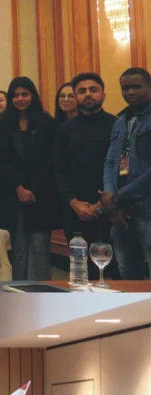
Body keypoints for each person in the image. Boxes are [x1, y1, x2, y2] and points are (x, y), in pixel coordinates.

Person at [53, 72, 117, 281]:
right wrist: (73, 202)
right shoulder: (65, 129)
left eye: (93, 89)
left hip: (111, 209)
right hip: (75, 211)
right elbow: (59, 170)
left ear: (103, 94)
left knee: (114, 271)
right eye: (82, 91)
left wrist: (101, 205)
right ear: (76, 96)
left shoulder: (117, 125)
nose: (88, 94)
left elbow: (121, 170)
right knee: (81, 273)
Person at [0, 76, 58, 281]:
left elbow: (51, 160)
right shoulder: (3, 125)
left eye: (25, 94)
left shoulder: (47, 122)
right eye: (15, 95)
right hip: (13, 194)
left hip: (41, 194)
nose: (20, 99)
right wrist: (19, 187)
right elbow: (1, 160)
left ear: (33, 96)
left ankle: (39, 290)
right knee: (19, 247)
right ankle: (19, 289)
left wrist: (34, 190)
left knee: (39, 247)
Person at [101, 67, 151, 280]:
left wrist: (118, 196)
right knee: (128, 271)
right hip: (120, 208)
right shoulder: (121, 120)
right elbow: (111, 160)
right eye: (125, 88)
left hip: (146, 206)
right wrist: (109, 194)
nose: (130, 92)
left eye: (136, 87)